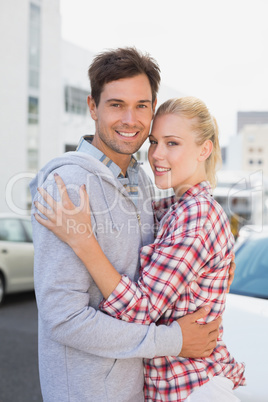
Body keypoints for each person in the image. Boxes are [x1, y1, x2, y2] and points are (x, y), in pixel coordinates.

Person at [30, 47, 232, 402]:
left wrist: (220, 258)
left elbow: (184, 237)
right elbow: (63, 319)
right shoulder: (70, 188)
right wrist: (172, 340)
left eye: (141, 105)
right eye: (116, 104)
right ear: (92, 107)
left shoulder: (140, 180)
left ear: (152, 108)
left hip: (140, 388)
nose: (130, 119)